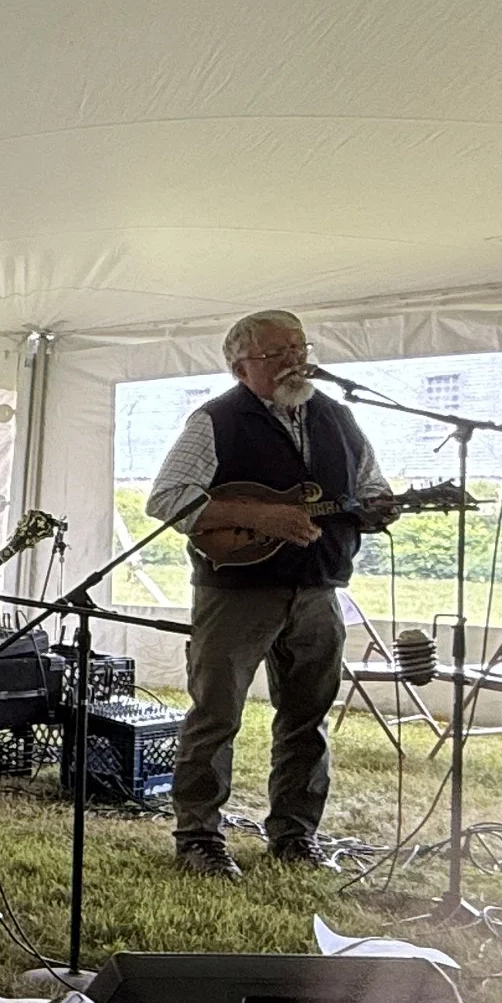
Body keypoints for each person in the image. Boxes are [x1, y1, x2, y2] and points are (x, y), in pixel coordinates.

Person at [147, 309, 390, 878]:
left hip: (318, 590)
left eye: (298, 347)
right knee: (217, 713)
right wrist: (262, 516)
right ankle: (199, 837)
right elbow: (168, 499)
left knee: (308, 716)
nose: (293, 360)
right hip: (236, 591)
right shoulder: (215, 420)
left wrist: (379, 510)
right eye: (275, 353)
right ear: (239, 368)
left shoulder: (340, 418)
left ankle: (294, 834)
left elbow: (372, 489)